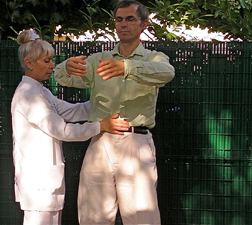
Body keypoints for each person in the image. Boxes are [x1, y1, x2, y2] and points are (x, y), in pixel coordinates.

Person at [54, 0, 175, 224]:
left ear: (144, 24)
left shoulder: (153, 58)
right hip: (100, 141)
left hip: (136, 143)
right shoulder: (98, 60)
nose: (123, 24)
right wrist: (65, 66)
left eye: (130, 19)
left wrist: (127, 68)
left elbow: (167, 73)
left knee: (142, 216)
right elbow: (63, 76)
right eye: (119, 19)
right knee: (93, 215)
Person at [11, 29, 130, 225]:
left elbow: (73, 111)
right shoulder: (28, 95)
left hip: (44, 184)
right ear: (29, 63)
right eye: (46, 61)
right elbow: (64, 130)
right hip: (38, 184)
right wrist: (100, 125)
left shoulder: (39, 91)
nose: (52, 66)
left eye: (51, 60)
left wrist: (104, 100)